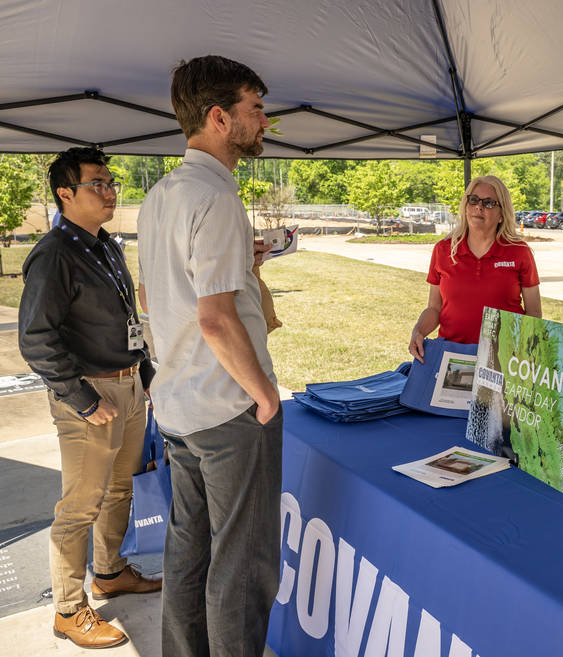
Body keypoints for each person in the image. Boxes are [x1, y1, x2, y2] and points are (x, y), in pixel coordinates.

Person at [137, 55, 281, 657]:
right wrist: (265, 396)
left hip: (179, 404)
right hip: (224, 410)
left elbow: (158, 293)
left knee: (188, 553)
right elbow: (215, 319)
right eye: (255, 109)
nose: (265, 122)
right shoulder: (216, 198)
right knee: (241, 571)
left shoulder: (161, 195)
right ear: (220, 118)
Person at [18, 147, 159, 649]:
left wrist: (144, 374)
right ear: (65, 193)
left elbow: (126, 322)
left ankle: (110, 572)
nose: (110, 191)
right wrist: (81, 398)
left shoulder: (104, 245)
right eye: (97, 183)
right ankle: (69, 609)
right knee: (81, 505)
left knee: (120, 492)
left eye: (110, 180)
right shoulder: (54, 253)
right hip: (90, 396)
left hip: (128, 386)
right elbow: (36, 338)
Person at [409, 175, 542, 359]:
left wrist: (523, 354)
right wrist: (419, 331)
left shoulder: (519, 252)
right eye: (473, 200)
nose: (478, 207)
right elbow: (434, 308)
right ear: (466, 206)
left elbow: (533, 312)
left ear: (502, 214)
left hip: (501, 361)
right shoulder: (444, 249)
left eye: (488, 203)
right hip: (451, 356)